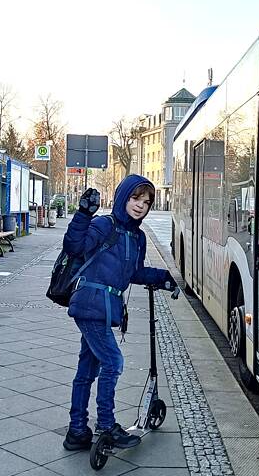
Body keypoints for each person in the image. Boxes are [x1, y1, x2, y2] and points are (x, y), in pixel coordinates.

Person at [61, 175, 177, 451]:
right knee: (113, 362)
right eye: (135, 199)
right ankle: (105, 425)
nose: (140, 206)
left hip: (106, 307)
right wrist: (83, 214)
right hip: (90, 304)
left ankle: (77, 431)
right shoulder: (103, 225)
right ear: (124, 197)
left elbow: (133, 272)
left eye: (146, 202)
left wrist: (163, 277)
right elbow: (74, 246)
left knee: (87, 370)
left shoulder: (137, 237)